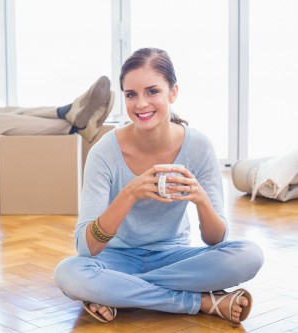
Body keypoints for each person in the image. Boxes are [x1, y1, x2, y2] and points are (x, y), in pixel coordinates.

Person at [54, 48, 264, 324]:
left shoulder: (199, 147)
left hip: (175, 258)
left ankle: (119, 292)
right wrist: (130, 193)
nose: (141, 104)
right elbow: (85, 248)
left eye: (152, 91)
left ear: (173, 93)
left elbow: (216, 240)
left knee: (249, 255)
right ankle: (201, 301)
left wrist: (201, 200)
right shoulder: (104, 152)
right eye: (131, 95)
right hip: (116, 258)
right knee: (69, 273)